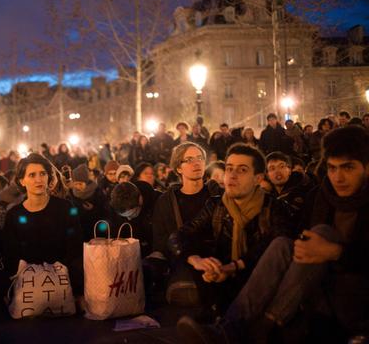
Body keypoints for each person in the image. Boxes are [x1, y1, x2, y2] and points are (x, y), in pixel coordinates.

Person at [178, 125, 369, 343]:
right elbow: (182, 236)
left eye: (348, 168)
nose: (338, 177)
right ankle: (228, 329)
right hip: (305, 280)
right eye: (333, 168)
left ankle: (262, 326)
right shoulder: (320, 196)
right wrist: (200, 261)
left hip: (353, 287)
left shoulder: (273, 207)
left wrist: (335, 252)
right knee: (282, 245)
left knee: (321, 233)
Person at [176, 143, 292, 319]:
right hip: (222, 279)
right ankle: (215, 317)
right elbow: (180, 235)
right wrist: (196, 260)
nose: (232, 175)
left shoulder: (274, 207)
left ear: (258, 178)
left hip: (260, 281)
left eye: (242, 170)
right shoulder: (216, 205)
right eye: (229, 169)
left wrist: (235, 266)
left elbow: (275, 245)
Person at [149, 143, 222, 305]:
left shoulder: (217, 196)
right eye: (188, 160)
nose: (196, 163)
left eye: (200, 158)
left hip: (216, 258)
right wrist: (189, 258)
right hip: (183, 261)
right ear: (178, 168)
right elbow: (161, 241)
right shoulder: (166, 202)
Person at [2, 153, 83, 294]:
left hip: (63, 279)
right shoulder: (14, 215)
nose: (38, 179)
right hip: (29, 284)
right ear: (22, 181)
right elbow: (11, 255)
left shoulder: (65, 208)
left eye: (43, 174)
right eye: (32, 175)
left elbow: (75, 247)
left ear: (49, 177)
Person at [265, 152, 314, 217]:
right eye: (272, 168)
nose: (277, 171)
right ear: (267, 175)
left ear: (290, 170)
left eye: (281, 166)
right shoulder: (268, 195)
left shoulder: (302, 191)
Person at [70, 164, 110, 242]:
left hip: (97, 232)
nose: (78, 186)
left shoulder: (97, 192)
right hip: (79, 233)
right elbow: (71, 213)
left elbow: (105, 213)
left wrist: (93, 209)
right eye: (76, 184)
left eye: (81, 184)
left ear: (86, 182)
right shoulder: (71, 194)